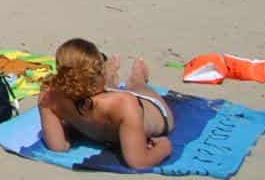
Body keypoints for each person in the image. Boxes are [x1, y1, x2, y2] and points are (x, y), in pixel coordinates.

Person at [38, 38, 174, 170]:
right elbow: (139, 162)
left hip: (151, 107)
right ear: (98, 72)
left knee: (134, 88)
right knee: (127, 88)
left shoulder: (49, 96)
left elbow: (58, 146)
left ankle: (134, 76)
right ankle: (125, 77)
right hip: (143, 109)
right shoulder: (123, 104)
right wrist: (164, 147)